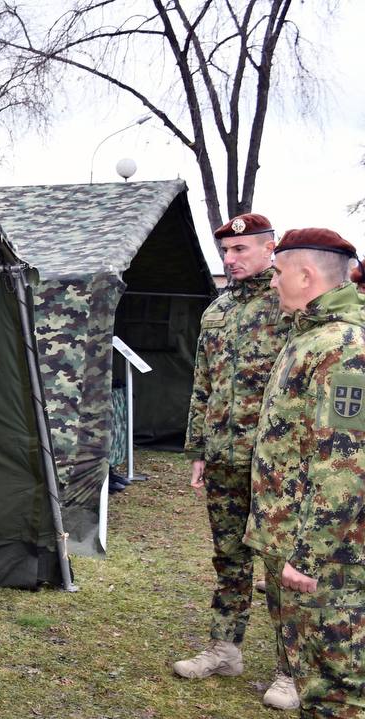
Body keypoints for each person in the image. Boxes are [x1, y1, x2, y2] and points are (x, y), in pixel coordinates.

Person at [173, 213, 298, 709]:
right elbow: (201, 382)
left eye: (241, 250)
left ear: (270, 249)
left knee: (279, 562)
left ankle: (292, 668)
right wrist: (199, 449)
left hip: (274, 460)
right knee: (229, 558)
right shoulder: (217, 309)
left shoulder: (290, 304)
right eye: (226, 251)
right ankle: (225, 649)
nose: (231, 259)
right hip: (224, 457)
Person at [244, 228, 365, 717]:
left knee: (336, 692)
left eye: (277, 272)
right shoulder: (308, 338)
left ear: (305, 274)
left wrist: (310, 556)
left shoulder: (344, 348)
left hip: (320, 556)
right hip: (288, 540)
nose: (272, 282)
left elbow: (346, 464)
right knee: (312, 679)